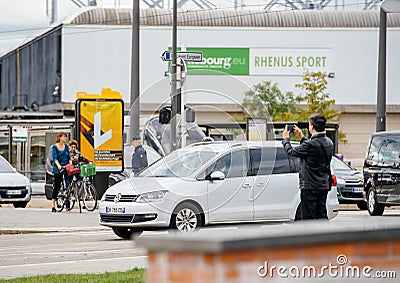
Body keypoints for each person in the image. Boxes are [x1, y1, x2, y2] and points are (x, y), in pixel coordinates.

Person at [282, 114, 333, 220]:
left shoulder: (310, 145)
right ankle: (324, 235)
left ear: (312, 127)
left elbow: (291, 151)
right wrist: (302, 137)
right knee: (321, 215)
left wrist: (286, 139)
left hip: (310, 186)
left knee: (308, 218)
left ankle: (311, 235)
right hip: (323, 184)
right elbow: (313, 148)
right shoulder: (329, 143)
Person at [51, 132, 72, 212]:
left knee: (68, 184)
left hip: (66, 167)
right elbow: (55, 158)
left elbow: (69, 157)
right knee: (57, 185)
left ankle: (67, 205)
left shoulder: (66, 147)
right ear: (60, 138)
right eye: (64, 137)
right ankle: (53, 204)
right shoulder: (54, 147)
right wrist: (58, 165)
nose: (65, 138)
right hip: (58, 168)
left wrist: (70, 165)